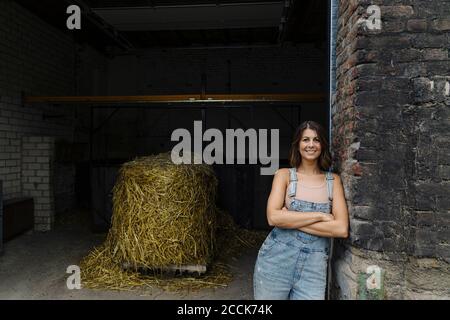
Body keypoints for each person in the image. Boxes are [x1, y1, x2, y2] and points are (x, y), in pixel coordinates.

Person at [253, 120, 349, 300]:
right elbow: (273, 218)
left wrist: (289, 219)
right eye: (305, 140)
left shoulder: (333, 181)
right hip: (275, 261)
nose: (311, 145)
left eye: (316, 140)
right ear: (298, 145)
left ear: (322, 145)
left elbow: (341, 229)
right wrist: (321, 216)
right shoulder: (284, 175)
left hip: (314, 268)